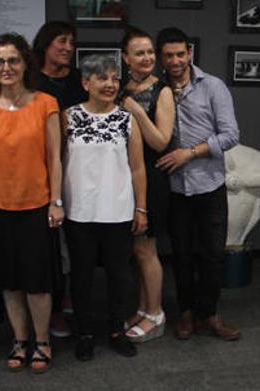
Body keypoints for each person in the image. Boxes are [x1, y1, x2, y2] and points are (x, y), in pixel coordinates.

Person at [0, 33, 63, 373]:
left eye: (13, 60)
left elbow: (55, 157)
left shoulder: (46, 104)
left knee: (37, 282)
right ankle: (19, 339)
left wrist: (56, 200)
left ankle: (42, 341)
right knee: (9, 282)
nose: (6, 67)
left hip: (37, 205)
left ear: (25, 64)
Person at [154, 27, 241, 341]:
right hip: (176, 189)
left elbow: (231, 135)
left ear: (189, 53)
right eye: (169, 55)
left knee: (213, 254)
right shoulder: (156, 89)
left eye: (181, 54)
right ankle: (187, 315)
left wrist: (189, 153)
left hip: (209, 185)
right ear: (161, 59)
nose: (176, 60)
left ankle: (211, 315)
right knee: (182, 255)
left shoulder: (213, 86)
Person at [62, 54, 146, 361]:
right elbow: (56, 162)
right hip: (79, 211)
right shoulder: (67, 117)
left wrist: (142, 208)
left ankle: (115, 330)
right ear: (86, 82)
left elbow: (137, 168)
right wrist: (56, 202)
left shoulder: (127, 119)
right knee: (81, 276)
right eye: (102, 78)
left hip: (118, 210)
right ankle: (84, 333)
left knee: (118, 275)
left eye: (114, 78)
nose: (110, 84)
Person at [118, 27, 175, 343]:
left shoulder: (161, 91)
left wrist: (137, 110)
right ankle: (142, 308)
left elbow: (160, 141)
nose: (147, 58)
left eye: (150, 52)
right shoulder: (119, 87)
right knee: (136, 250)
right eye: (139, 53)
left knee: (146, 249)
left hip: (151, 179)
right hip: (124, 179)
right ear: (126, 57)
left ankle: (156, 314)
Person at [32, 20, 87, 338]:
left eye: (71, 42)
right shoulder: (31, 81)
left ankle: (71, 301)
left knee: (75, 242)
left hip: (78, 172)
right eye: (61, 41)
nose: (68, 47)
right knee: (49, 243)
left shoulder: (80, 80)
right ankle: (51, 309)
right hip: (40, 172)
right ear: (45, 44)